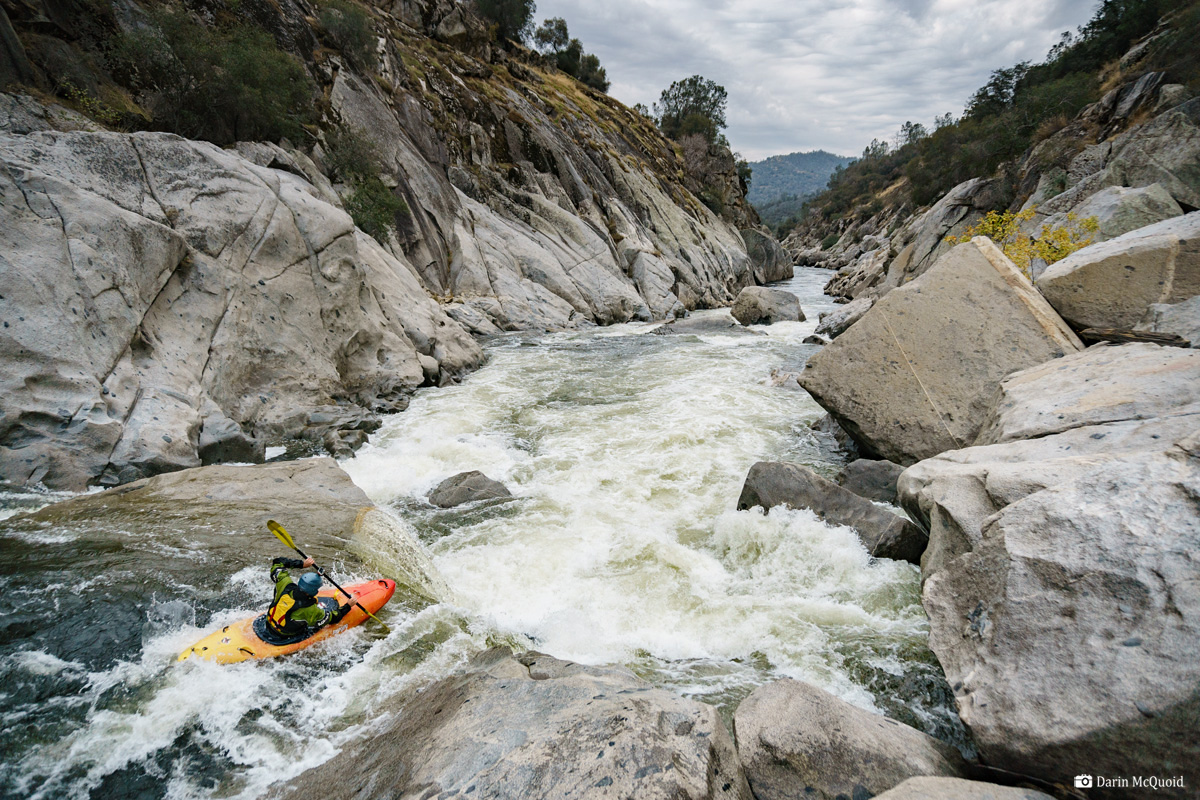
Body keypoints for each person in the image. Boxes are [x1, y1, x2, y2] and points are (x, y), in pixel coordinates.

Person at [265, 556, 351, 639]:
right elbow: (333, 618)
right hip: (285, 635)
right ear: (314, 591)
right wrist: (348, 606)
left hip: (268, 624)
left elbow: (278, 562)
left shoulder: (284, 584)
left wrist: (301, 564)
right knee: (315, 625)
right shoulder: (310, 610)